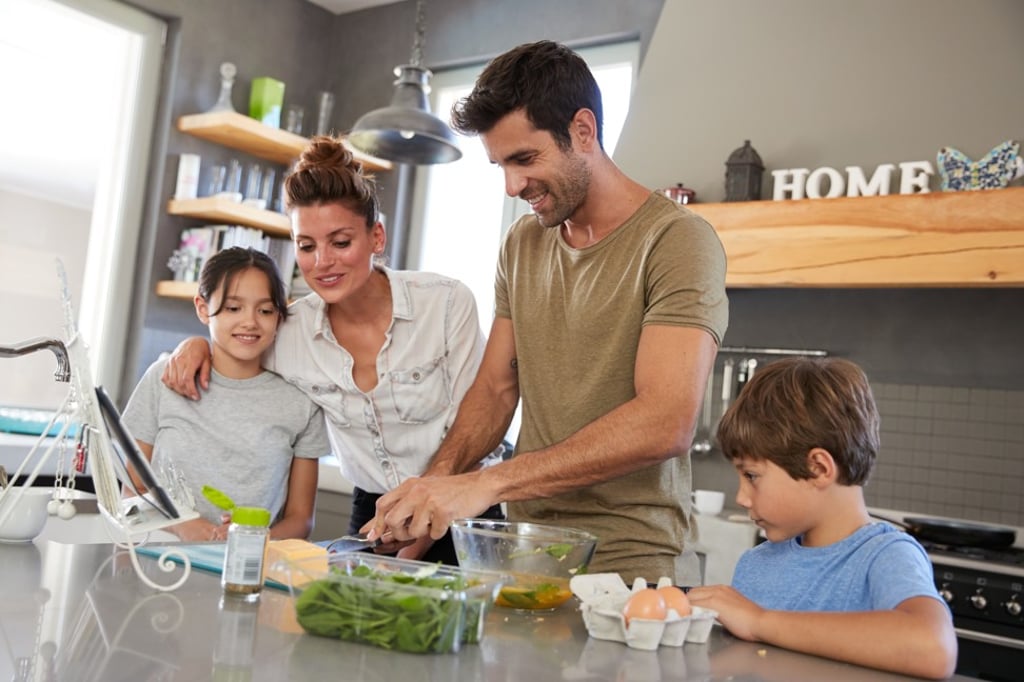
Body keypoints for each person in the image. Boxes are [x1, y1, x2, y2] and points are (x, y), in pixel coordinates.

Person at [366, 40, 729, 585]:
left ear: (583, 131)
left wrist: (487, 484)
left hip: (630, 565)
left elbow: (666, 421)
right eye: (501, 165)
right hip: (528, 554)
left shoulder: (676, 241)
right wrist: (435, 489)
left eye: (525, 159)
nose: (512, 186)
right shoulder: (523, 243)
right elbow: (495, 389)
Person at [161, 137, 503, 563]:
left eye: (340, 242)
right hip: (373, 520)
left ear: (376, 237)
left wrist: (416, 540)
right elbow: (236, 345)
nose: (322, 262)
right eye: (306, 246)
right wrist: (193, 345)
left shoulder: (446, 304)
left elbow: (478, 421)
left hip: (464, 510)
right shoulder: (290, 331)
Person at [686, 357, 957, 680]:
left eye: (752, 476)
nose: (741, 497)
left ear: (819, 468)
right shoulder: (757, 564)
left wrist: (760, 622)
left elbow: (933, 647)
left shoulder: (885, 555)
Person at [123, 247, 329, 541]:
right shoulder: (164, 379)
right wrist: (183, 526)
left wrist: (253, 539)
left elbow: (300, 519)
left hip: (247, 571)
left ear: (280, 316)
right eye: (234, 308)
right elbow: (132, 496)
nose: (250, 322)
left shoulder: (302, 402)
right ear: (203, 308)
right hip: (158, 567)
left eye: (266, 310)